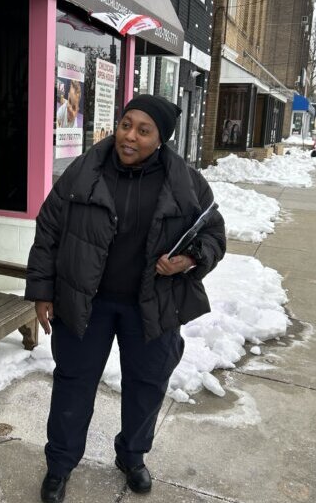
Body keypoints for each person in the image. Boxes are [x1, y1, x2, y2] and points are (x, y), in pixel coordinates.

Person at [26, 94, 227, 503]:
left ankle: (132, 456)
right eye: (125, 125)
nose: (129, 136)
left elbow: (214, 235)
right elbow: (48, 229)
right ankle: (60, 465)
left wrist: (190, 258)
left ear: (160, 139)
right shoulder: (85, 170)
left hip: (151, 303)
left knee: (147, 385)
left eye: (143, 130)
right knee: (72, 385)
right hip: (86, 301)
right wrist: (42, 291)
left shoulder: (186, 183)